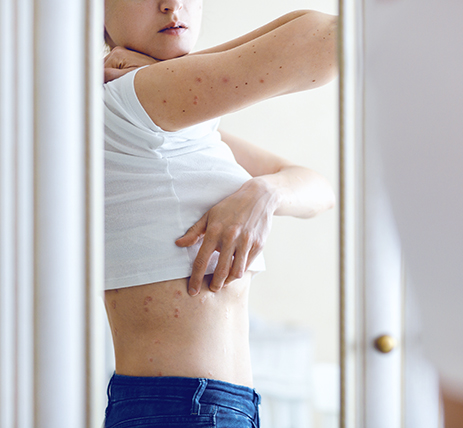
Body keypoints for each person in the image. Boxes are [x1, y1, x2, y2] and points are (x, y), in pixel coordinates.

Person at [102, 1, 337, 426]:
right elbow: (330, 39)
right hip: (188, 406)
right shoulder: (135, 97)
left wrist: (263, 193)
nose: (171, 5)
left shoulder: (159, 116)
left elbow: (319, 190)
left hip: (201, 403)